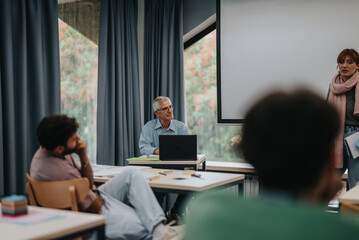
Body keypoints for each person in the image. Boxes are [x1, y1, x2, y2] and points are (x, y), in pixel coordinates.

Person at [185, 90, 359, 240]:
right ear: (329, 162)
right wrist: (318, 199)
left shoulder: (206, 213)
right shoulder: (347, 232)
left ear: (250, 153)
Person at [30, 115, 182, 240]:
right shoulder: (58, 171)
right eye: (73, 138)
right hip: (87, 214)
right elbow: (95, 206)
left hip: (90, 197)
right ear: (60, 148)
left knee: (131, 173)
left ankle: (158, 228)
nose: (77, 139)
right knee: (143, 227)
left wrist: (83, 156)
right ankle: (157, 230)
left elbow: (88, 184)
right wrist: (107, 201)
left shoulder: (49, 150)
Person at [139, 96, 189, 222]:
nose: (170, 111)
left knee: (192, 184)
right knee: (157, 189)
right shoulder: (149, 127)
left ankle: (175, 211)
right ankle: (159, 218)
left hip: (177, 169)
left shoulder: (181, 127)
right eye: (165, 108)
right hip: (156, 169)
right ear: (157, 113)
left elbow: (188, 150)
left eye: (170, 107)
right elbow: (143, 147)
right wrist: (157, 151)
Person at [327, 48, 359, 189]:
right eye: (341, 62)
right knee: (330, 181)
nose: (344, 65)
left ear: (357, 65)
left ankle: (352, 211)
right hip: (336, 136)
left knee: (355, 182)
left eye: (349, 62)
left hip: (356, 137)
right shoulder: (334, 85)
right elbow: (327, 113)